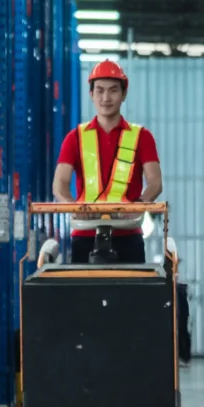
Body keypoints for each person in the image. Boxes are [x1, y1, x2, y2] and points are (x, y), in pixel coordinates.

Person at [49, 59, 163, 264]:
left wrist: (138, 206)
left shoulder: (142, 137)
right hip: (85, 235)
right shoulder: (75, 138)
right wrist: (73, 208)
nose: (106, 98)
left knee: (131, 296)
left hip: (129, 234)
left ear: (124, 94)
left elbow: (155, 183)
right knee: (84, 296)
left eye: (113, 90)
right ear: (91, 94)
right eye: (100, 90)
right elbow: (60, 183)